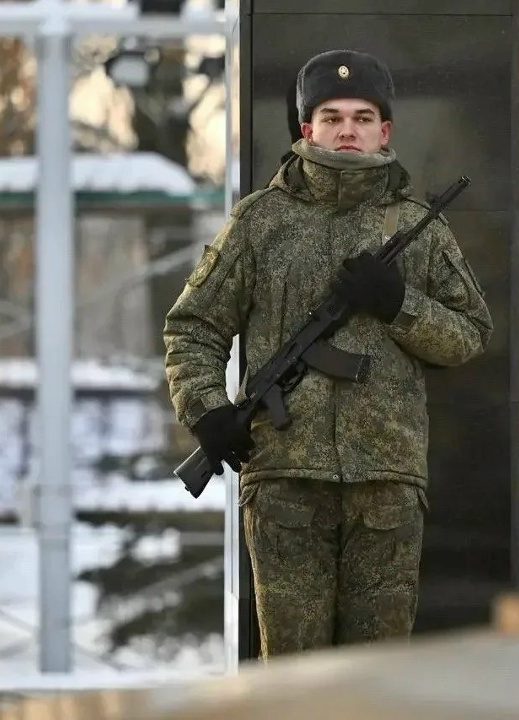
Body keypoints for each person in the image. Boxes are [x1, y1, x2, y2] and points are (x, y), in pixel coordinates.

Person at [164, 49, 493, 659]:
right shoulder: (259, 223)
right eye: (332, 116)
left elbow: (470, 335)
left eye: (363, 117)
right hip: (285, 481)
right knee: (293, 681)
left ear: (384, 130)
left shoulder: (418, 226)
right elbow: (194, 327)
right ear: (306, 129)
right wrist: (208, 411)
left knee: (379, 679)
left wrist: (398, 305)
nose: (348, 130)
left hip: (386, 488)